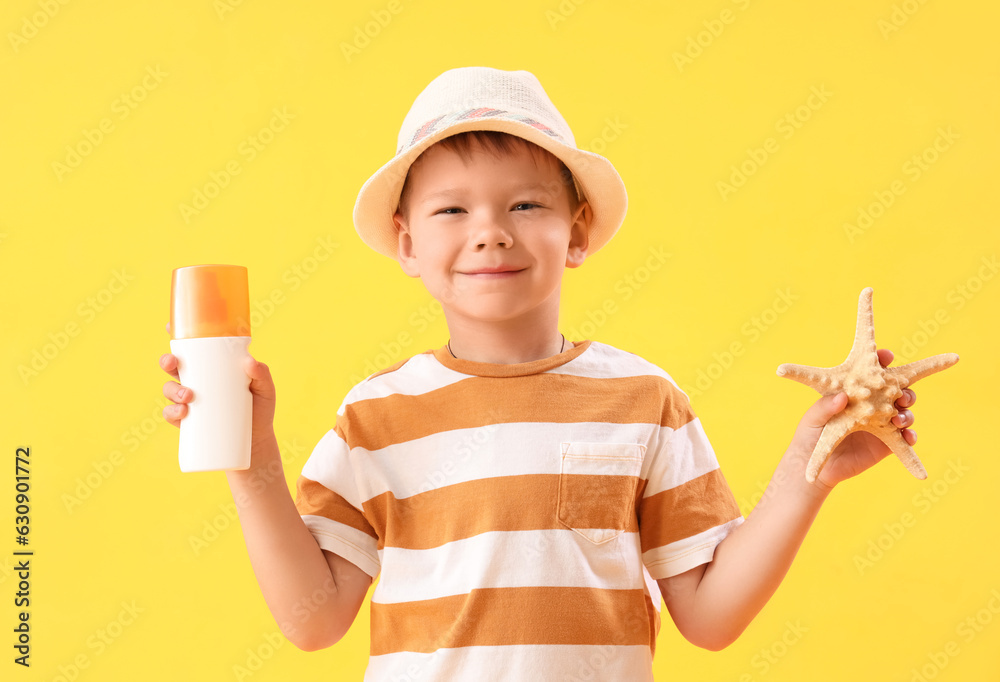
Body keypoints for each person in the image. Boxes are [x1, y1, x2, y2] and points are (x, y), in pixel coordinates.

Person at [159, 66, 920, 680]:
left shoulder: (644, 402)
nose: (490, 232)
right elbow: (314, 622)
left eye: (524, 204)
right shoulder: (376, 417)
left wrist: (806, 472)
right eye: (451, 211)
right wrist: (250, 456)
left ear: (577, 230)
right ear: (406, 244)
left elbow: (711, 618)